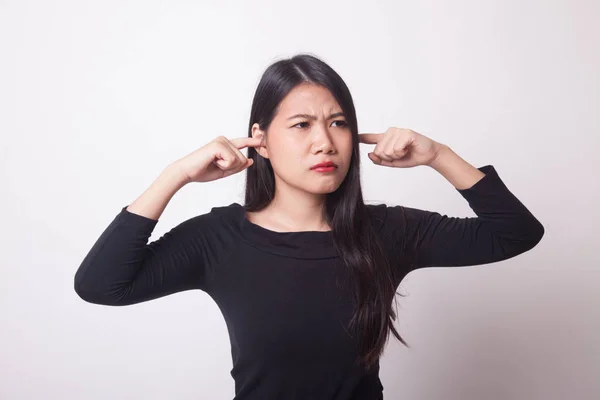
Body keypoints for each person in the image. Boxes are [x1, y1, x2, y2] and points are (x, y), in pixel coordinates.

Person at [73, 53, 544, 400]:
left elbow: (516, 233)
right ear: (261, 140)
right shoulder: (218, 239)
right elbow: (101, 284)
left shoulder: (384, 231)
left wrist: (439, 156)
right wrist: (175, 175)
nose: (325, 141)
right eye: (301, 125)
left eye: (338, 123)